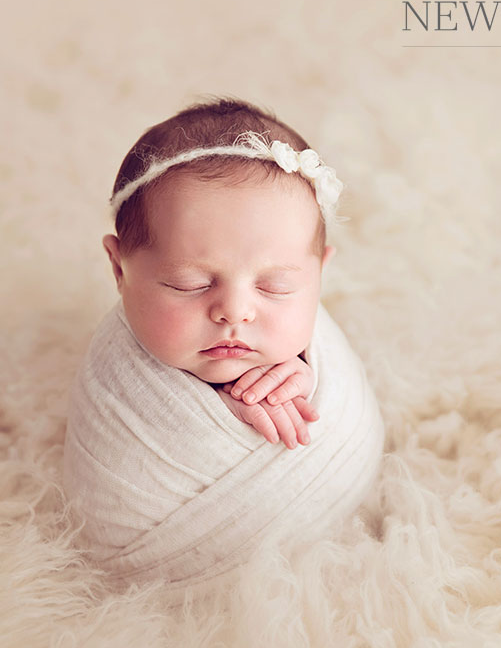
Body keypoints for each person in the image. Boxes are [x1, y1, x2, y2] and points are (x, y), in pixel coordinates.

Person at [100, 97, 343, 449]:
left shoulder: (313, 359)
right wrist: (219, 413)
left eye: (275, 287)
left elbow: (343, 409)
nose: (234, 311)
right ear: (119, 268)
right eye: (190, 284)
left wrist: (308, 377)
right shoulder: (117, 382)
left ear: (319, 275)